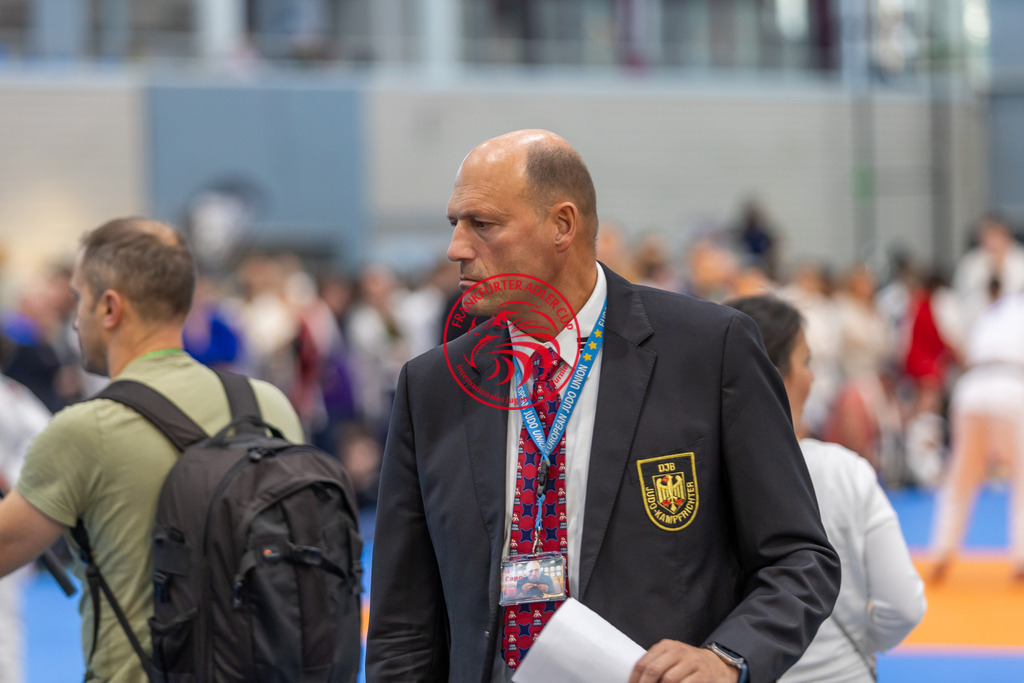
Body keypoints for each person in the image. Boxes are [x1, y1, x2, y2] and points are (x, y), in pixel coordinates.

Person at [366, 130, 840, 682]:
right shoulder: (434, 386)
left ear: (562, 225)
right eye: (455, 224)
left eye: (483, 224)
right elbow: (402, 623)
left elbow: (799, 559)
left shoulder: (708, 352)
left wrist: (727, 658)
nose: (457, 248)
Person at [0, 218, 304, 682]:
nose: (74, 317)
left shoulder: (85, 428)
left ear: (109, 307)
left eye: (79, 298)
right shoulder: (269, 404)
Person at [727, 295, 926, 682]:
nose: (813, 377)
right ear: (772, 374)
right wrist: (851, 652)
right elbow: (903, 606)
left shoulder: (693, 476)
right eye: (806, 362)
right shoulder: (844, 471)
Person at [930, 288, 1024, 580]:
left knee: (961, 475)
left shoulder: (994, 311)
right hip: (1011, 385)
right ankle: (1021, 559)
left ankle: (941, 552)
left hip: (971, 387)